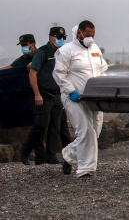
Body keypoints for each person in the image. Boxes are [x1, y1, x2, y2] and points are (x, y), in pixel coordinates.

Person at [53, 20, 108, 178]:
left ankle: (68, 156)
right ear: (79, 33)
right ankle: (85, 170)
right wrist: (70, 91)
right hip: (74, 98)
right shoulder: (67, 50)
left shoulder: (95, 49)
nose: (90, 38)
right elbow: (59, 73)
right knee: (85, 132)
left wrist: (103, 89)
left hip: (94, 97)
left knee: (94, 133)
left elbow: (102, 70)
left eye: (93, 35)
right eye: (88, 35)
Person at [19, 27, 72, 166]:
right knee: (41, 125)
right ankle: (24, 150)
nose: (61, 40)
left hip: (58, 94)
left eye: (63, 37)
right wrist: (37, 94)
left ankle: (51, 156)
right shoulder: (42, 52)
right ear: (51, 38)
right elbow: (32, 73)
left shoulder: (62, 53)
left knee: (56, 126)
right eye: (58, 37)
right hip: (43, 94)